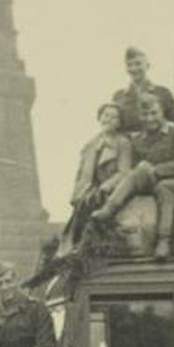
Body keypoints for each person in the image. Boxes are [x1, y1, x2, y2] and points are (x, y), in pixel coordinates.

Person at [91, 93, 174, 261]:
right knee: (138, 172)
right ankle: (109, 209)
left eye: (154, 113)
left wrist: (157, 170)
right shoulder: (138, 139)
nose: (150, 118)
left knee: (164, 187)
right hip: (149, 181)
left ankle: (164, 241)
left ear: (162, 112)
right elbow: (131, 168)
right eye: (145, 114)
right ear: (140, 116)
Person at [62, 102, 132, 252]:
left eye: (114, 117)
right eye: (106, 115)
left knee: (92, 206)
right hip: (89, 190)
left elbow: (124, 172)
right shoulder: (90, 144)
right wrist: (76, 194)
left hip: (111, 189)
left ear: (119, 123)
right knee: (81, 209)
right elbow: (81, 174)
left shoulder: (123, 143)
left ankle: (83, 247)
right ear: (99, 117)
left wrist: (106, 186)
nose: (109, 119)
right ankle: (74, 248)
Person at [112, 47, 174, 133]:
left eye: (138, 64)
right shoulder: (119, 97)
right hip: (129, 144)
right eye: (129, 65)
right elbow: (114, 129)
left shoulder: (163, 93)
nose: (134, 68)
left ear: (147, 66)